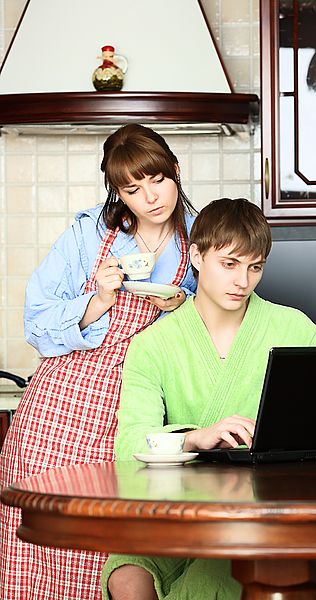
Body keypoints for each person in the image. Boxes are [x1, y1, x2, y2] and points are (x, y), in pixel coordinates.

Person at [0, 124, 197, 600]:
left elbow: (220, 319)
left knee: (111, 544)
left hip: (137, 408)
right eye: (133, 188)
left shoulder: (199, 237)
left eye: (157, 180)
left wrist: (183, 308)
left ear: (175, 170)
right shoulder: (90, 232)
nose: (151, 197)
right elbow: (37, 321)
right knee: (44, 534)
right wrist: (100, 298)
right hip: (59, 406)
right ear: (118, 192)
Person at [101, 198, 316, 600]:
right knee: (127, 574)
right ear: (197, 256)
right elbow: (127, 447)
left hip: (260, 518)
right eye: (229, 264)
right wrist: (192, 438)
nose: (243, 281)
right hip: (172, 516)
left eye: (254, 267)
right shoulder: (152, 345)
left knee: (215, 579)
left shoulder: (298, 330)